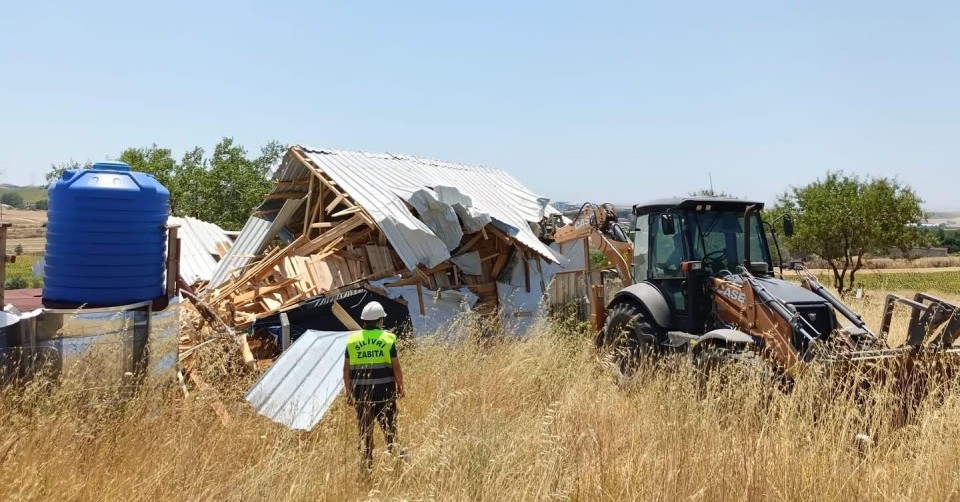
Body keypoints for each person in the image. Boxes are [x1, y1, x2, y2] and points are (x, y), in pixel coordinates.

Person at [343, 301, 406, 471]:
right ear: (379, 321)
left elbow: (346, 370)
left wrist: (348, 393)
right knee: (390, 429)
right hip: (385, 392)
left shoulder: (352, 341)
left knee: (365, 432)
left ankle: (367, 466)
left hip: (362, 394)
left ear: (364, 321)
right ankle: (397, 464)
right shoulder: (387, 339)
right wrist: (401, 386)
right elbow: (396, 366)